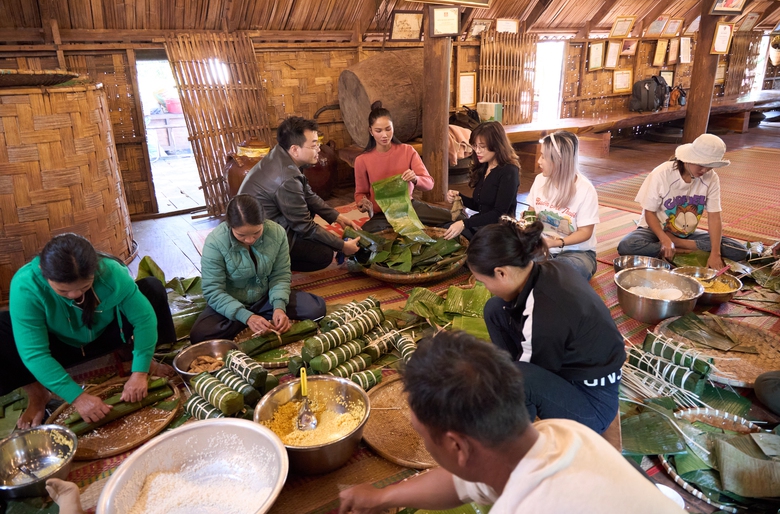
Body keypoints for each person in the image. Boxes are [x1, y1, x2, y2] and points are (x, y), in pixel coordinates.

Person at [338, 331, 684, 514]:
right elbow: (462, 482)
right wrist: (381, 498)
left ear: (457, 445)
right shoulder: (563, 432)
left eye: (421, 433)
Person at [465, 218, 625, 433]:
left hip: (592, 405)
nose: (486, 288)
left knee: (519, 379)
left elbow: (522, 377)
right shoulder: (549, 269)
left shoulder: (544, 313)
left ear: (501, 273)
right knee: (495, 309)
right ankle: (515, 388)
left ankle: (519, 431)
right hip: (572, 370)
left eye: (484, 282)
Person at [0, 234, 176, 429]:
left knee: (151, 288)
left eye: (84, 286)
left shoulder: (110, 271)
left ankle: (143, 360)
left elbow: (143, 319)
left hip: (106, 336)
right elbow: (35, 353)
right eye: (63, 291)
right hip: (61, 346)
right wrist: (78, 398)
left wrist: (139, 372)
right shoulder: (26, 285)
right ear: (44, 272)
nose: (75, 294)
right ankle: (38, 394)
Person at [189, 195, 326, 343]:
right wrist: (246, 316)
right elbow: (213, 291)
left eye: (256, 233)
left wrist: (279, 307)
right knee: (200, 335)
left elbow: (280, 275)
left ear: (263, 222)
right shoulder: (215, 242)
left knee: (316, 309)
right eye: (241, 235)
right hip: (233, 301)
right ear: (230, 225)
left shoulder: (277, 233)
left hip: (266, 298)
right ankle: (254, 321)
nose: (250, 240)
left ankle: (259, 321)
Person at [239, 116, 361, 272]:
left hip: (267, 224)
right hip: (259, 240)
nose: (318, 149)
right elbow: (304, 226)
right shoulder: (287, 178)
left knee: (308, 211)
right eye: (314, 145)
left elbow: (308, 195)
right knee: (324, 254)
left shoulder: (282, 154)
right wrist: (342, 246)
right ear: (295, 149)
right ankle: (272, 265)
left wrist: (337, 217)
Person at [617, 133, 747, 269]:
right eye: (701, 165)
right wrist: (665, 239)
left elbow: (714, 217)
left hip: (685, 235)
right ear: (688, 159)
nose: (705, 170)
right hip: (655, 231)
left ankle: (677, 246)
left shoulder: (711, 178)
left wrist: (716, 253)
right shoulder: (661, 173)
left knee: (738, 250)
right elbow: (649, 212)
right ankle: (681, 249)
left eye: (710, 166)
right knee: (628, 245)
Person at [354, 108, 451, 233]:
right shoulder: (362, 160)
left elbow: (429, 184)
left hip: (409, 208)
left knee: (457, 218)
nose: (384, 135)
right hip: (383, 214)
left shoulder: (407, 151)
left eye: (388, 129)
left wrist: (415, 179)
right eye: (378, 131)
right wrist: (362, 202)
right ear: (371, 131)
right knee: (361, 235)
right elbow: (360, 193)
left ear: (393, 127)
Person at [525, 131, 599, 280]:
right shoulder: (540, 180)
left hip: (576, 253)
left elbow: (585, 232)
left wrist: (556, 243)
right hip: (542, 247)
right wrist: (528, 221)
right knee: (509, 258)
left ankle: (543, 274)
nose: (539, 161)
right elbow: (531, 212)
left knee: (567, 269)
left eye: (543, 157)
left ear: (558, 160)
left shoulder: (585, 189)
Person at [443, 121, 520, 241]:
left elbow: (499, 213)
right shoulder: (484, 166)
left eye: (482, 147)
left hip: (500, 229)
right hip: (483, 224)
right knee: (444, 229)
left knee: (453, 235)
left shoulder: (509, 171)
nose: (477, 151)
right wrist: (459, 196)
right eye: (475, 146)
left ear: (497, 145)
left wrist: (464, 223)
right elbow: (479, 205)